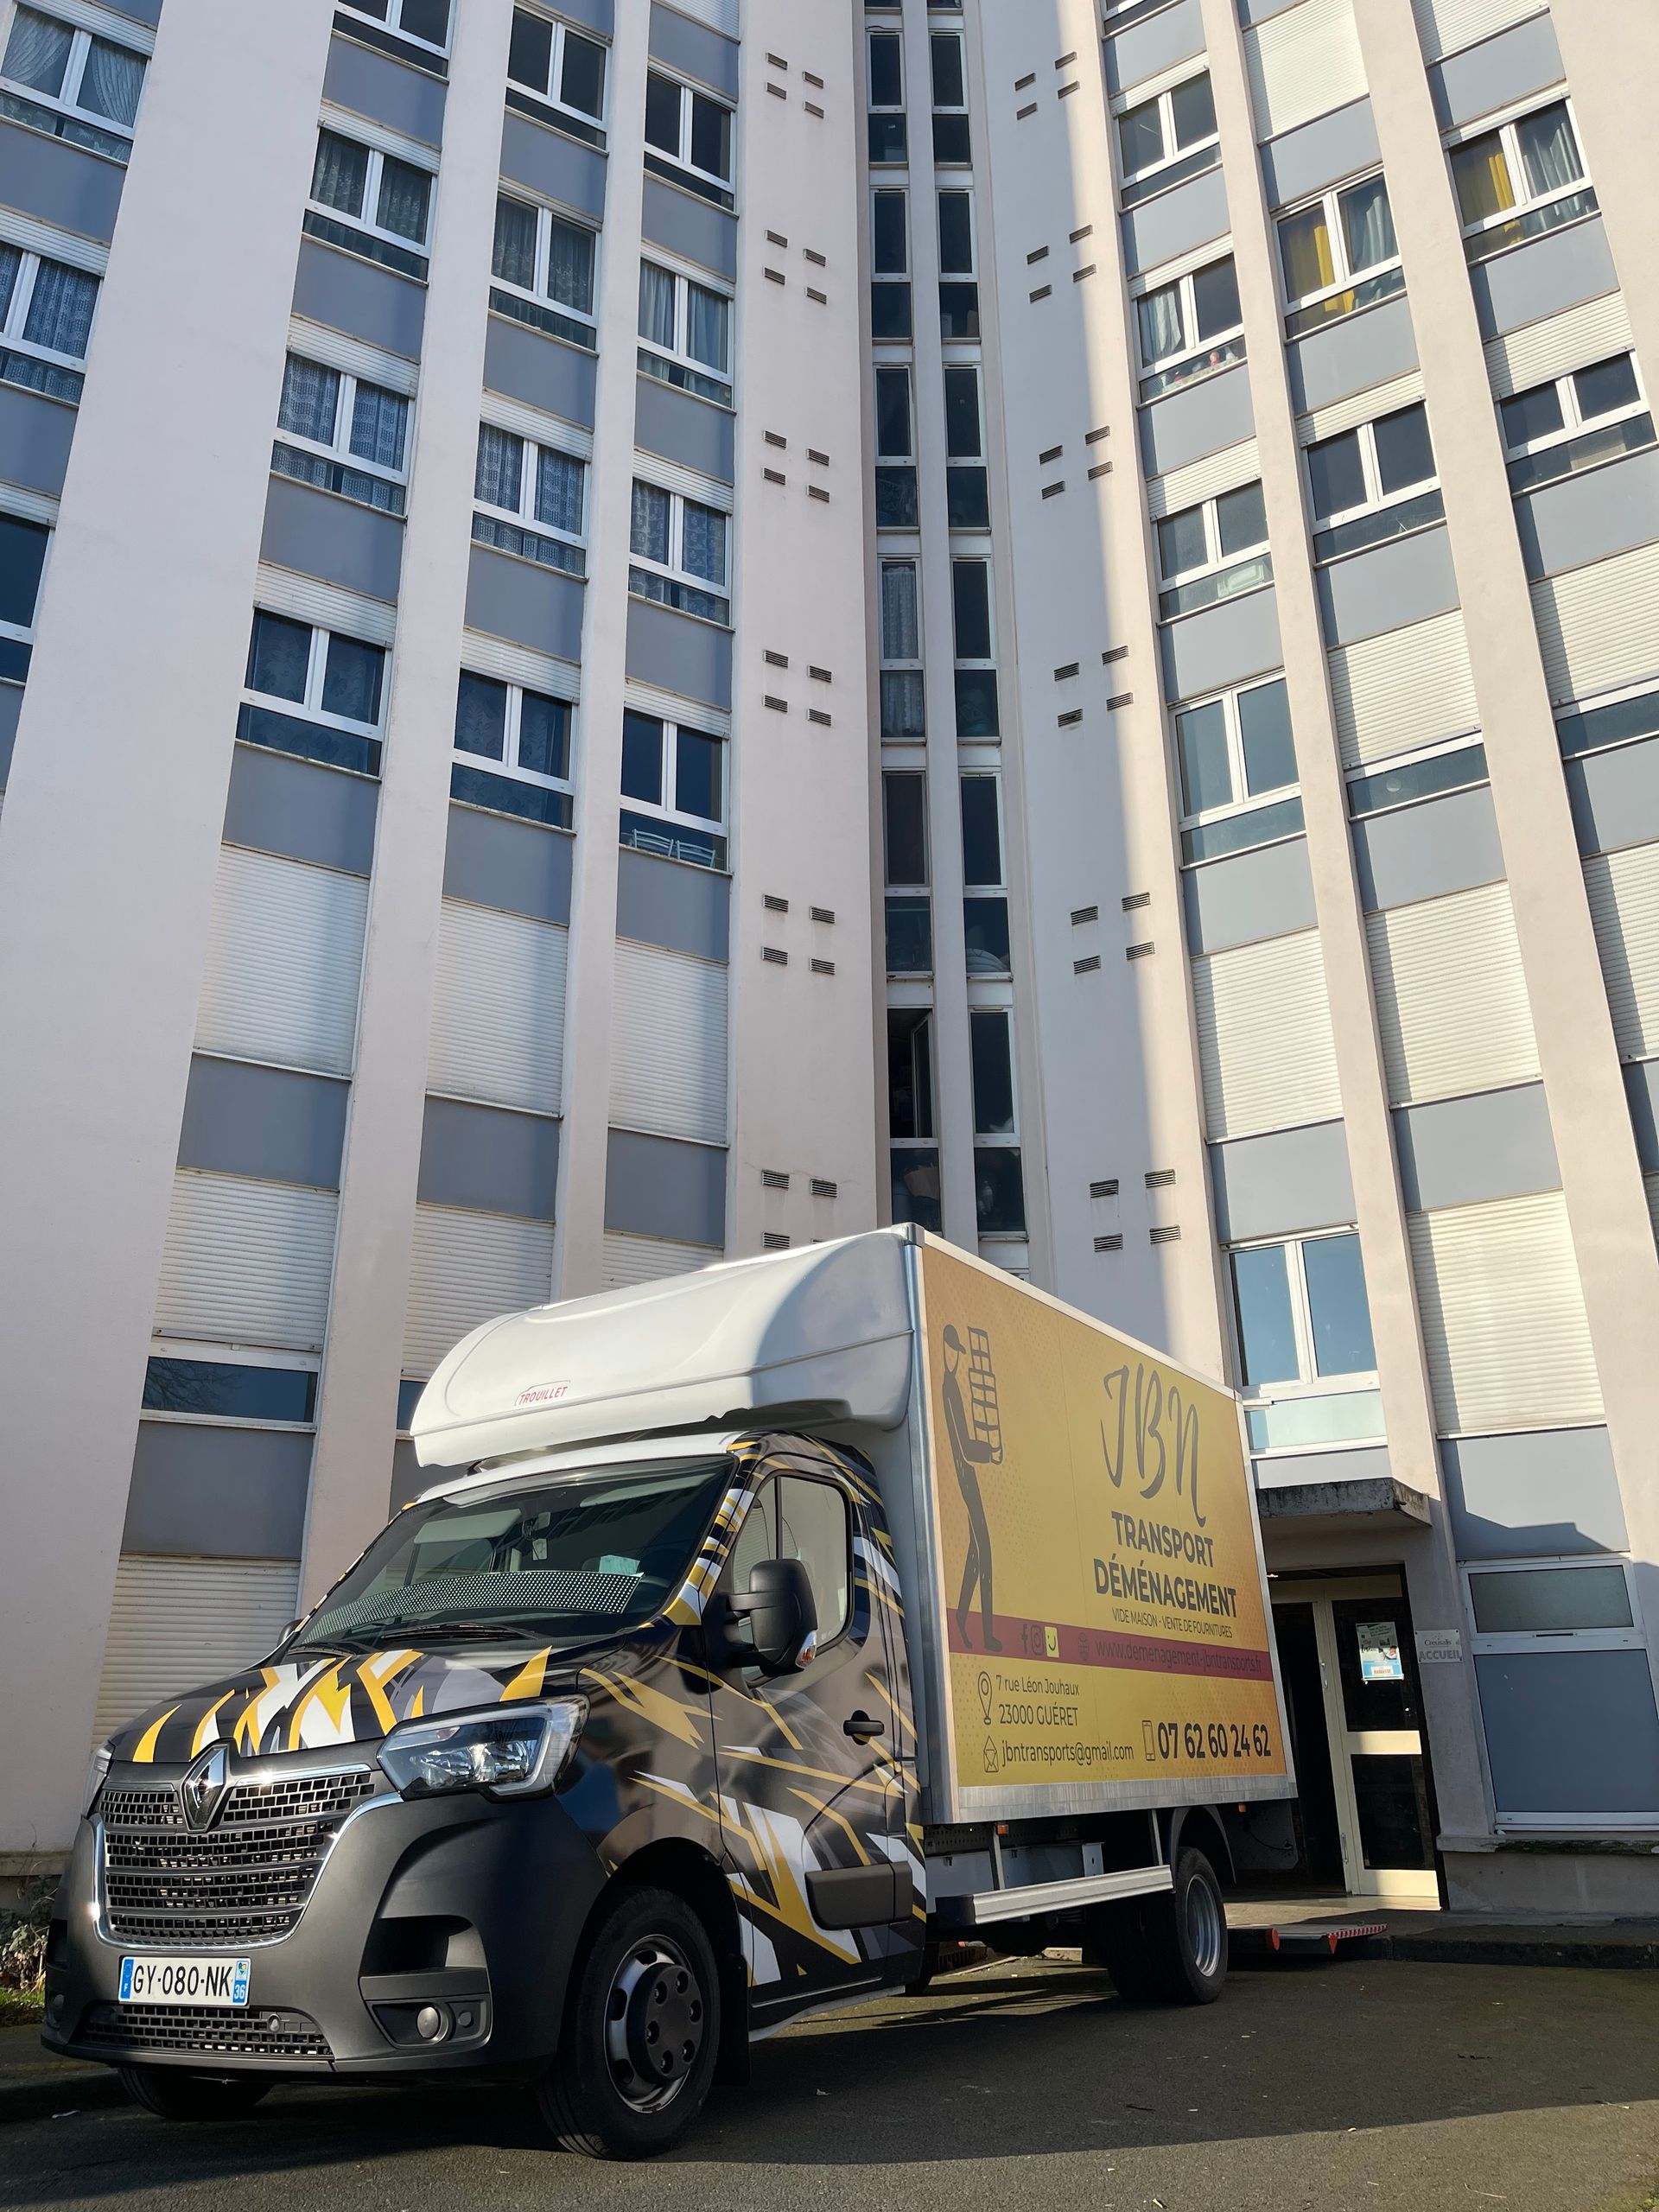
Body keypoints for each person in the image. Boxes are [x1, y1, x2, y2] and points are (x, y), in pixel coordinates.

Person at [941, 1325, 1001, 1653]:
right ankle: (987, 1633)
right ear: (944, 1349)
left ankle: (963, 1619)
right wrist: (988, 1451)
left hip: (969, 1474)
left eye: (958, 1352)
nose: (955, 1357)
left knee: (975, 1556)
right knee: (985, 1552)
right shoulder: (949, 1387)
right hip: (965, 1476)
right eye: (952, 1350)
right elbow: (962, 1445)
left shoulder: (953, 1385)